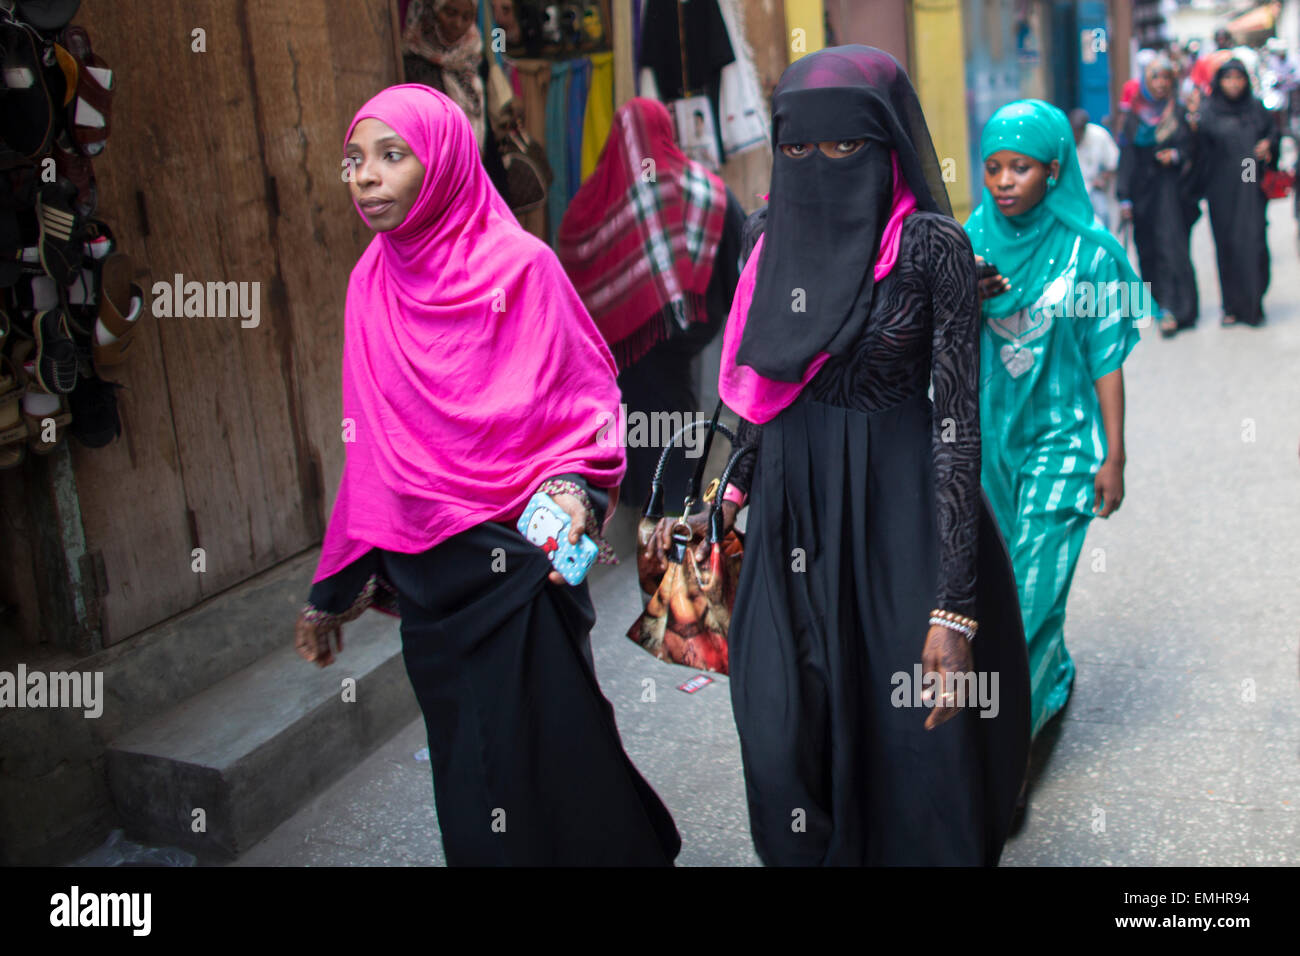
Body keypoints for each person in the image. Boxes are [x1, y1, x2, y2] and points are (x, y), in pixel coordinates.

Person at [653, 46, 1031, 866]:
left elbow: (956, 424)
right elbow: (760, 390)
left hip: (902, 522)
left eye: (843, 148)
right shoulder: (765, 233)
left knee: (915, 746)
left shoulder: (931, 248)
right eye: (797, 149)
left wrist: (953, 605)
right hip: (789, 514)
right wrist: (718, 507)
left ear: (888, 144)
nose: (818, 167)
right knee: (780, 736)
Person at [294, 85, 680, 866]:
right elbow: (369, 445)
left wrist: (572, 486)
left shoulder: (524, 268)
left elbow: (587, 398)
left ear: (443, 164)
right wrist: (330, 589)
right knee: (471, 771)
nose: (365, 177)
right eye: (354, 161)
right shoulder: (371, 285)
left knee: (557, 749)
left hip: (521, 566)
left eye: (391, 156)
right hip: (431, 576)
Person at [966, 100, 1147, 801]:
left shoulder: (1089, 254)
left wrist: (1115, 455)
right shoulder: (967, 244)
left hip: (1063, 443)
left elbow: (1107, 357)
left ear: (1055, 169)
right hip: (987, 448)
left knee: (1027, 596)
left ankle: (1006, 754)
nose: (1005, 181)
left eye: (1022, 167)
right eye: (993, 167)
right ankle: (1052, 677)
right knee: (997, 583)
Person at [556, 98, 746, 510]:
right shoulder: (708, 190)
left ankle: (640, 515)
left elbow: (570, 260)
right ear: (667, 132)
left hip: (615, 354)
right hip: (687, 342)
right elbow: (740, 267)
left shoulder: (590, 206)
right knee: (674, 428)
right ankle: (673, 523)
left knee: (636, 428)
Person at [1117, 54, 1200, 337]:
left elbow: (1192, 149)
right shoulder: (1133, 116)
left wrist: (1175, 155)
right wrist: (1124, 197)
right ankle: (1157, 302)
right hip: (1143, 194)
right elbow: (1126, 156)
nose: (1162, 83)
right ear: (1145, 80)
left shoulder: (1177, 113)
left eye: (1166, 78)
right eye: (1156, 77)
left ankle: (1175, 307)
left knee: (1172, 247)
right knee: (1147, 248)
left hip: (1171, 192)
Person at [1194, 58, 1278, 327]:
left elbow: (1273, 133)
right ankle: (1230, 306)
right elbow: (1199, 153)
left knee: (1252, 241)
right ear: (1219, 82)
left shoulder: (1254, 108)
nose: (1234, 84)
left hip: (1248, 172)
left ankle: (1253, 304)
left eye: (1239, 78)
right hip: (1221, 184)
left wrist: (1268, 145)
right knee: (1227, 243)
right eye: (1228, 79)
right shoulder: (1209, 111)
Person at [401, 0, 510, 198]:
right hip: (431, 178)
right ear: (433, 11)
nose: (457, 23)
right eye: (450, 13)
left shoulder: (475, 57)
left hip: (476, 173)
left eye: (466, 17)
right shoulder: (411, 62)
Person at [1070, 108, 1120, 231]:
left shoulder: (1099, 135)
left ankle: (1104, 244)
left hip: (1093, 186)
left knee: (1102, 214)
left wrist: (1103, 178)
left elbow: (1113, 162)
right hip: (1071, 187)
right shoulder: (1063, 138)